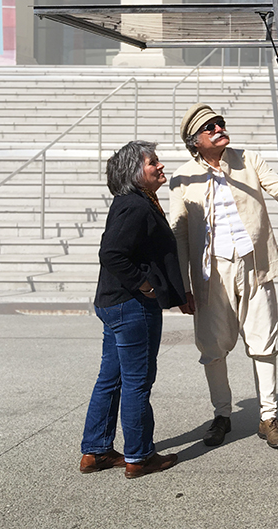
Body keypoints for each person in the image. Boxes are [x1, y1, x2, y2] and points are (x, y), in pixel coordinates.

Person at [169, 104, 278, 450]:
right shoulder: (182, 176)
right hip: (210, 272)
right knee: (212, 349)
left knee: (264, 343)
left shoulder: (249, 159)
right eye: (210, 127)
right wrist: (182, 286)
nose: (219, 128)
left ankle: (268, 417)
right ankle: (221, 415)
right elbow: (180, 235)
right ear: (196, 141)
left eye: (220, 123)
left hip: (256, 264)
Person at [80, 141, 191, 479]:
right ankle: (139, 456)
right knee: (137, 382)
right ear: (135, 172)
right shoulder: (137, 207)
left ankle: (96, 451)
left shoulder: (132, 202)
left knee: (110, 378)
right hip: (132, 307)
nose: (160, 166)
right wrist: (146, 286)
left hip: (113, 304)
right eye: (152, 162)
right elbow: (112, 254)